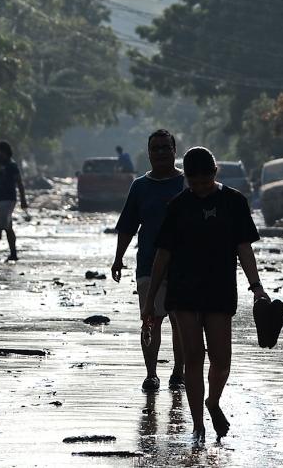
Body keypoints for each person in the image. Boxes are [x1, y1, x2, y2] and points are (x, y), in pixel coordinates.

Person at [141, 146, 268, 444]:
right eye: (193, 183)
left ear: (214, 174)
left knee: (222, 360)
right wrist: (149, 302)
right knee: (194, 356)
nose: (199, 188)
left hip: (220, 288)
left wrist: (257, 288)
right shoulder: (178, 205)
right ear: (186, 178)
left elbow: (244, 248)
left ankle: (213, 401)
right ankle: (197, 424)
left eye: (205, 182)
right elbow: (163, 254)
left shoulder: (234, 202)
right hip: (183, 290)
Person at [112, 129, 186, 392]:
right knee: (150, 319)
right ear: (149, 153)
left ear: (175, 151)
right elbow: (128, 226)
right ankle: (151, 374)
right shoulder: (140, 186)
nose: (161, 153)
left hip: (183, 266)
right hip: (147, 263)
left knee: (180, 320)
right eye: (155, 148)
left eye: (166, 148)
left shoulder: (187, 184)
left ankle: (179, 372)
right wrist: (118, 258)